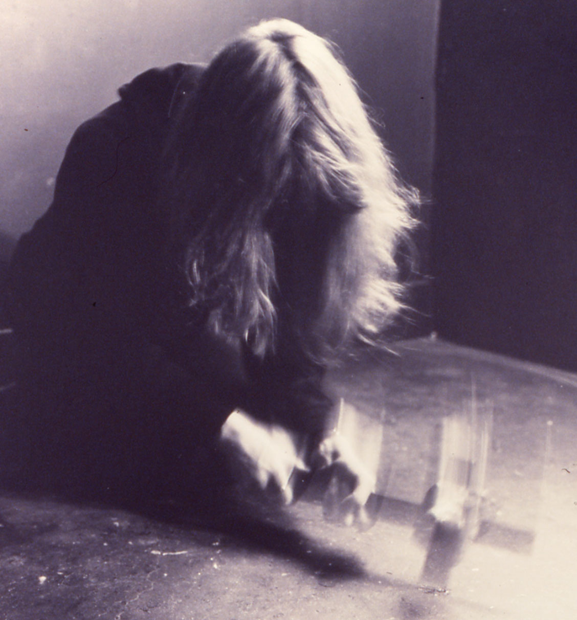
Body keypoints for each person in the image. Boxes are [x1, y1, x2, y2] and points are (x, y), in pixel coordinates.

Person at [3, 19, 416, 518]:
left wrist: (316, 431)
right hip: (63, 371)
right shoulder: (111, 152)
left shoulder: (287, 166)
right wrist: (222, 425)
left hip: (170, 361)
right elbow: (94, 342)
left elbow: (287, 322)